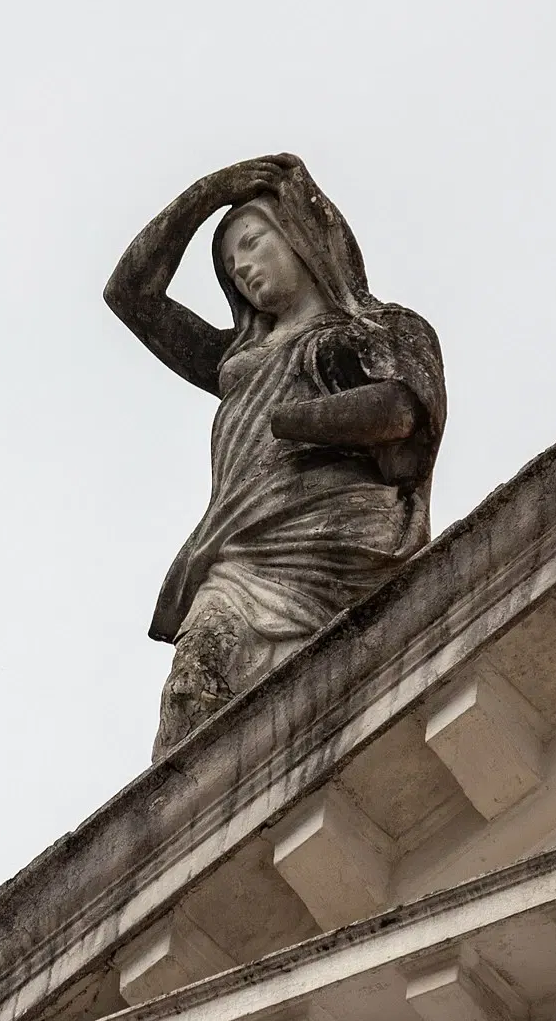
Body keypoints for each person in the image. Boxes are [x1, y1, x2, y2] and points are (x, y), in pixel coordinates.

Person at [105, 154, 446, 757]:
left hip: (342, 538)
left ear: (299, 237)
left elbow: (402, 412)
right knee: (191, 694)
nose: (242, 268)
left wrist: (293, 421)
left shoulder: (371, 332)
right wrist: (210, 192)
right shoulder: (237, 363)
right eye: (229, 266)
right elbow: (131, 295)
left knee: (348, 703)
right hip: (240, 560)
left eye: (252, 243)